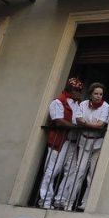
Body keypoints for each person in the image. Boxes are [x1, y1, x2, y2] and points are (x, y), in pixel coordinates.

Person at [59, 82, 109, 211]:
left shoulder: (105, 106)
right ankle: (69, 203)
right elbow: (77, 119)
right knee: (78, 172)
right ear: (91, 94)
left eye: (100, 94)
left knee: (91, 175)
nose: (98, 96)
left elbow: (100, 124)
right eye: (96, 93)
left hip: (97, 144)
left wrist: (86, 123)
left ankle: (85, 203)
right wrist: (91, 124)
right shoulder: (83, 104)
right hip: (84, 142)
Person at [38, 77, 83, 210]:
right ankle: (45, 200)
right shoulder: (58, 101)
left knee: (71, 171)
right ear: (70, 89)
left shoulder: (80, 103)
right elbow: (58, 120)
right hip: (60, 140)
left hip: (73, 142)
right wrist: (76, 127)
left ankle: (60, 199)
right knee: (52, 170)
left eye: (80, 90)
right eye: (76, 90)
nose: (79, 93)